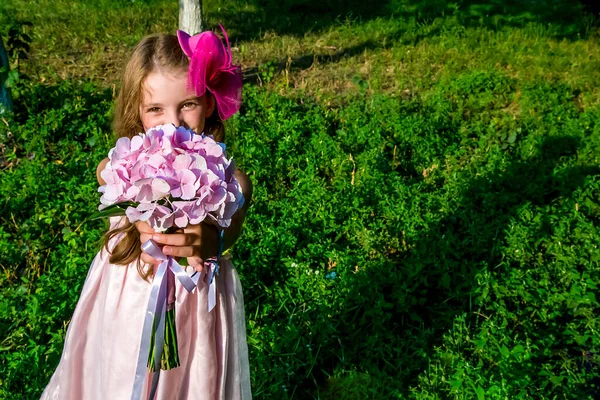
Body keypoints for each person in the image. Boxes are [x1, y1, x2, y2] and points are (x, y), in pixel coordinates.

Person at [40, 27, 253, 400]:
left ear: (209, 102)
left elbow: (232, 229)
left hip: (193, 312)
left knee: (190, 383)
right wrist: (145, 205)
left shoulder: (230, 178)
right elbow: (105, 172)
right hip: (129, 300)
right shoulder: (124, 166)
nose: (173, 123)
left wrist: (211, 239)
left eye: (188, 104)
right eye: (155, 109)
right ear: (136, 111)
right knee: (121, 379)